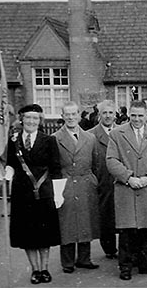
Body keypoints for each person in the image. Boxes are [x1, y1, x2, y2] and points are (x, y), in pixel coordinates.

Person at [106, 100, 147, 280]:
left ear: (146, 116)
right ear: (128, 115)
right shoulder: (117, 134)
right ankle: (125, 266)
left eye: (140, 115)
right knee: (127, 231)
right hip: (127, 188)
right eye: (133, 115)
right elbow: (111, 160)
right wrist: (128, 177)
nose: (137, 119)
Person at [1, 104, 61, 284]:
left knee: (44, 235)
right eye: (28, 118)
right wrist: (6, 172)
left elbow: (56, 168)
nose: (31, 121)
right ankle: (35, 270)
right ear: (22, 119)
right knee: (28, 236)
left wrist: (58, 193)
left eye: (35, 118)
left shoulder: (48, 140)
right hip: (22, 193)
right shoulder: (13, 140)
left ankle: (45, 268)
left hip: (44, 193)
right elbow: (11, 162)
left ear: (40, 120)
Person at [53, 101, 101, 273]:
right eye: (67, 114)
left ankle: (84, 258)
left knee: (85, 220)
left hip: (85, 182)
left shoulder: (90, 138)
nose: (71, 117)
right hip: (65, 182)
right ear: (63, 116)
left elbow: (96, 163)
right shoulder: (55, 138)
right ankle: (67, 262)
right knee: (67, 223)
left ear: (79, 115)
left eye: (74, 114)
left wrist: (93, 181)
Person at [88, 100, 119, 259]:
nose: (108, 116)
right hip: (102, 181)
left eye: (111, 113)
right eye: (104, 113)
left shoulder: (121, 132)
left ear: (116, 115)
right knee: (105, 216)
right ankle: (110, 249)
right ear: (99, 115)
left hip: (120, 180)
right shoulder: (91, 135)